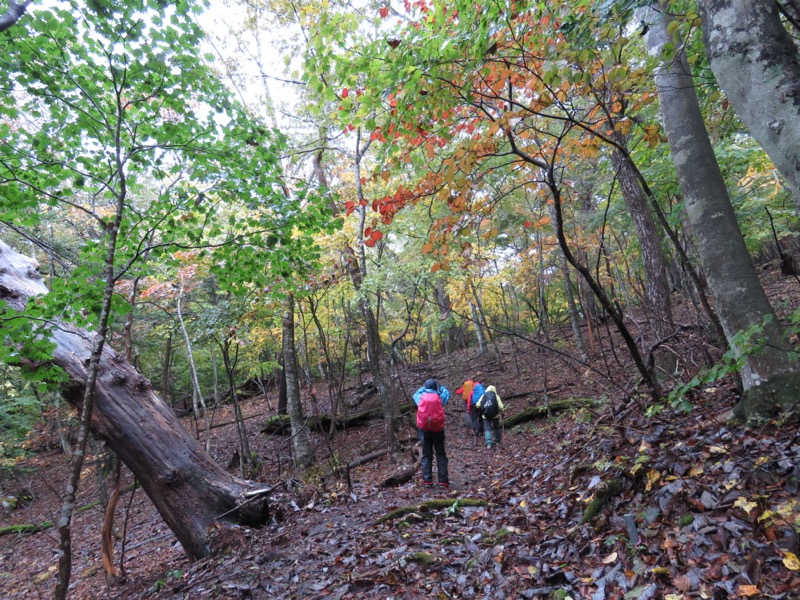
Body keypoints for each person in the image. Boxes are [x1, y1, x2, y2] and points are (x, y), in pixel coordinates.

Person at [413, 378, 450, 488]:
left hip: (424, 430)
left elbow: (415, 394)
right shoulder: (439, 398)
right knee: (441, 454)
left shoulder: (420, 398)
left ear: (426, 387)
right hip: (438, 430)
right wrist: (442, 388)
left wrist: (422, 388)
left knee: (426, 455)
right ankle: (443, 481)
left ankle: (427, 481)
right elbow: (447, 394)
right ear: (435, 388)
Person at [476, 384, 505, 449]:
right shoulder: (496, 396)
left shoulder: (484, 396)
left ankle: (488, 443)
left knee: (487, 429)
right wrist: (502, 412)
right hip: (495, 415)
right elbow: (501, 406)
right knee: (496, 428)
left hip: (485, 416)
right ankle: (497, 441)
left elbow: (477, 405)